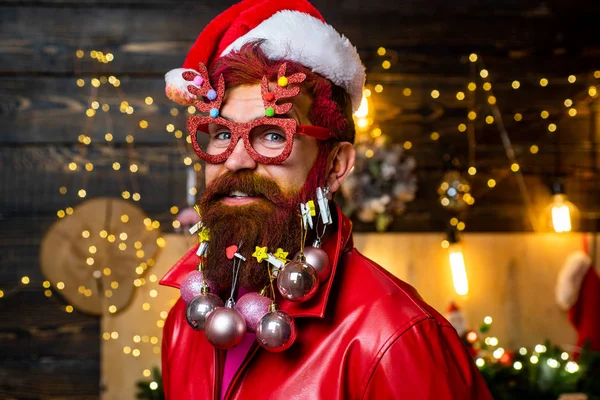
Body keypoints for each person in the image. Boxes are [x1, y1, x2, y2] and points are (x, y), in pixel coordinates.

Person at [160, 0, 493, 398]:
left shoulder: (393, 336)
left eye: (272, 135)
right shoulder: (186, 318)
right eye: (219, 133)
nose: (235, 159)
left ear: (335, 165)